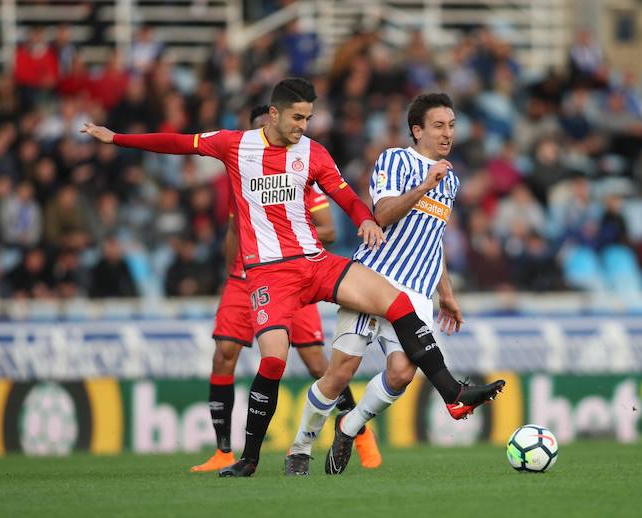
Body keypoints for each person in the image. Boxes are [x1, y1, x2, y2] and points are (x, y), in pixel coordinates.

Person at [81, 78, 504, 478]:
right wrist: (116, 138)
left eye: (308, 118)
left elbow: (345, 197)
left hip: (314, 262)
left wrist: (364, 220)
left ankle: (452, 393)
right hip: (269, 273)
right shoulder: (235, 145)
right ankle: (250, 458)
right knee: (274, 360)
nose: (304, 126)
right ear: (274, 113)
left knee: (396, 302)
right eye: (297, 117)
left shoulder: (313, 153)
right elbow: (178, 143)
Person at [283, 93, 471, 476]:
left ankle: (349, 426)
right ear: (417, 130)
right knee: (340, 373)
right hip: (373, 281)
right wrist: (424, 185)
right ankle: (300, 448)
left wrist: (446, 293)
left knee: (402, 373)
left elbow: (432, 238)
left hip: (416, 292)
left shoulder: (450, 179)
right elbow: (381, 215)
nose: (447, 133)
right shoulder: (395, 160)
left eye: (451, 125)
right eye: (438, 125)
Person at [190, 105, 381, 474]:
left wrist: (287, 237)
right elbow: (234, 231)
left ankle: (358, 433)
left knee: (316, 362)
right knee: (224, 353)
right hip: (246, 277)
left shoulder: (300, 177)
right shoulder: (241, 172)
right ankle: (223, 450)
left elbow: (328, 229)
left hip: (293, 272)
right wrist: (233, 274)